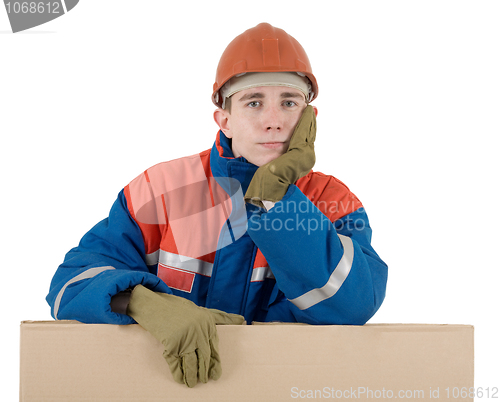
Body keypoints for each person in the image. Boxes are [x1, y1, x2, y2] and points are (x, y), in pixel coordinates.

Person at [46, 23, 388, 387]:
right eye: (253, 102)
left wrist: (277, 198)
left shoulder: (332, 202)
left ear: (310, 119)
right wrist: (141, 302)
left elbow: (354, 304)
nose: (273, 122)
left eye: (289, 102)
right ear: (224, 120)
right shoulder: (160, 189)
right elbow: (68, 285)